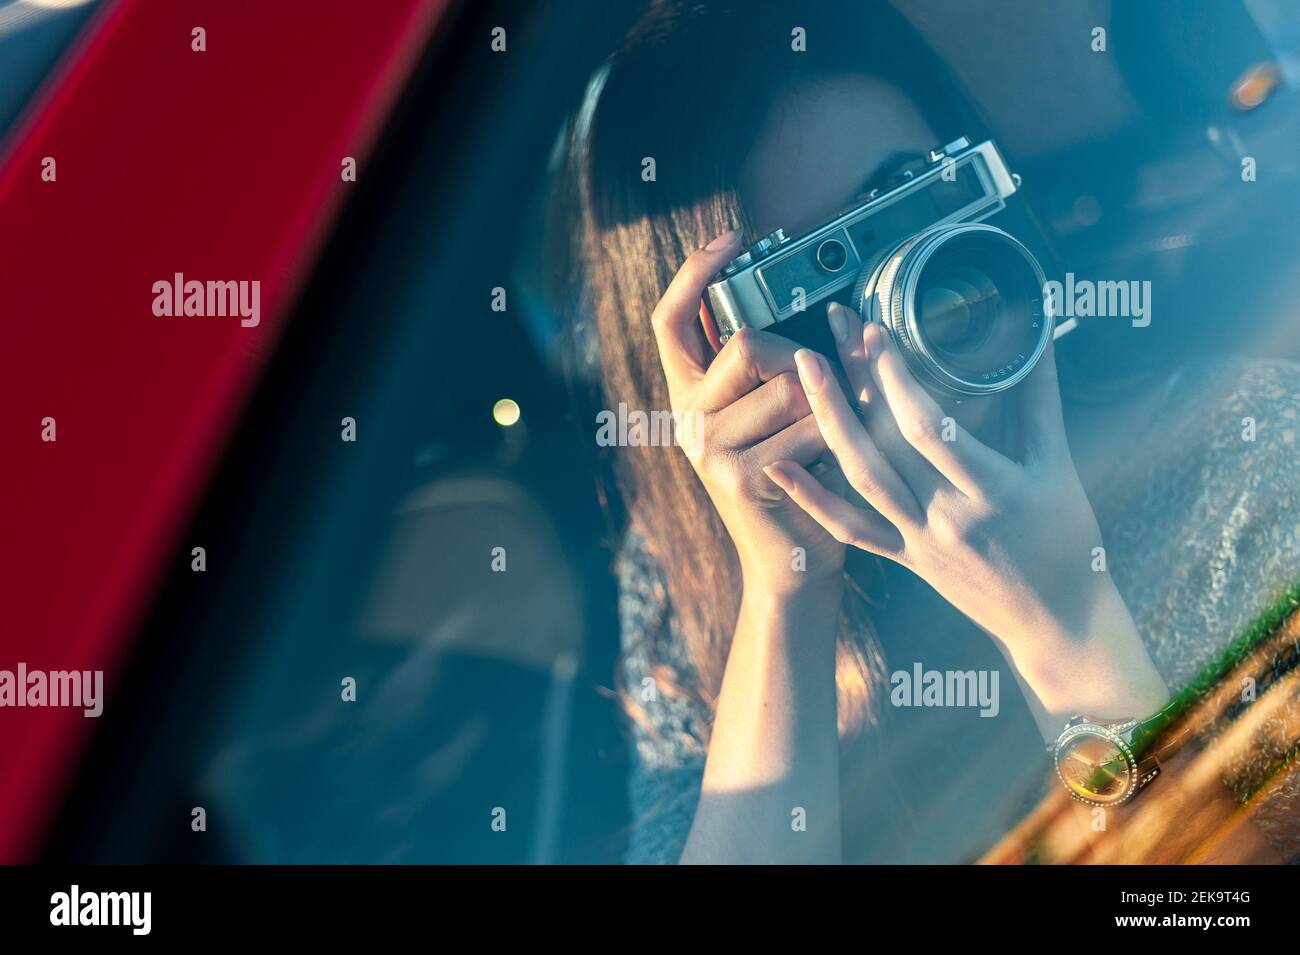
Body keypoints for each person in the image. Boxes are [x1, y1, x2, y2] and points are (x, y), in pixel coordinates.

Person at [555, 0, 1300, 863]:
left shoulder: (1256, 445)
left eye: (904, 200)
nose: (905, 287)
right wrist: (785, 590)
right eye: (809, 272)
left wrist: (1063, 619)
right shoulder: (701, 569)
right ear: (715, 357)